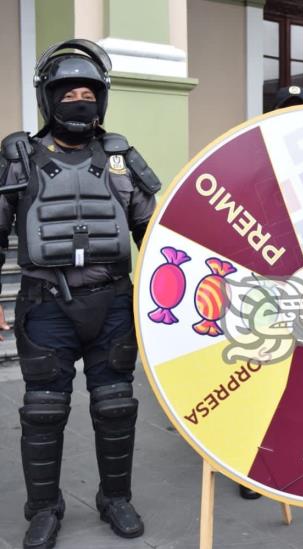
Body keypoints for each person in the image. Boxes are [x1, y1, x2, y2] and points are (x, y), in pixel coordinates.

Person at [0, 39, 160, 548]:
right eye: (67, 92)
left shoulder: (121, 161)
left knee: (116, 405)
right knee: (43, 409)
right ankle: (43, 508)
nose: (78, 100)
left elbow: (154, 236)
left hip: (112, 301)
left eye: (87, 91)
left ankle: (115, 498)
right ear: (47, 98)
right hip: (45, 305)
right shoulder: (18, 159)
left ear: (102, 98)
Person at [237, 83, 303, 502]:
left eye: (299, 111)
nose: (292, 117)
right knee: (263, 371)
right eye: (285, 110)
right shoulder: (254, 161)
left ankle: (300, 455)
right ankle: (253, 465)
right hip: (267, 285)